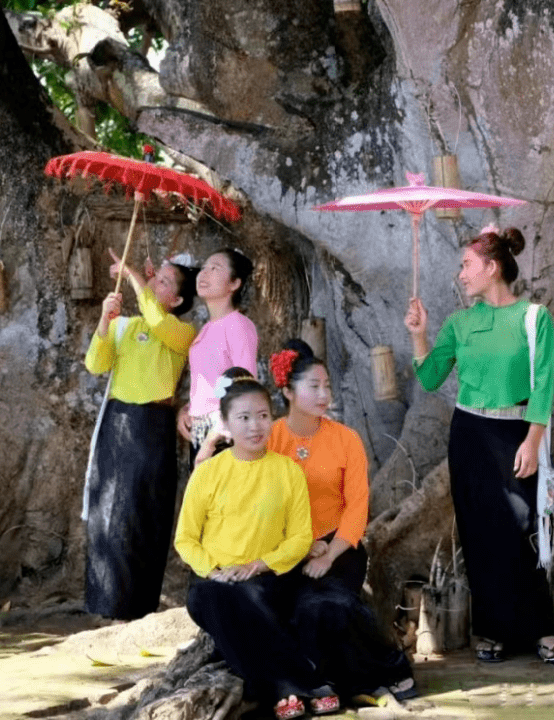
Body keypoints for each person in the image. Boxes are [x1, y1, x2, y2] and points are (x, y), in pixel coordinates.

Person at [404, 224, 554, 666]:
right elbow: (430, 377)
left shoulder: (534, 318)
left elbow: (545, 385)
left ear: (491, 268)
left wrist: (533, 441)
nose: (461, 275)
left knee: (524, 527)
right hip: (470, 435)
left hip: (517, 434)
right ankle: (492, 631)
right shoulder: (461, 322)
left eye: (467, 266)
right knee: (478, 532)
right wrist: (419, 335)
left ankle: (540, 630)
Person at [175, 369, 340, 719]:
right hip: (216, 581)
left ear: (273, 419)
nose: (255, 426)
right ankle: (302, 681)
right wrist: (216, 572)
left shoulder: (288, 472)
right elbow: (185, 538)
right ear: (226, 423)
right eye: (244, 418)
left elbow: (299, 537)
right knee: (211, 597)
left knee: (251, 596)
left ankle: (279, 691)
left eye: (263, 416)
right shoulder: (207, 472)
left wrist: (257, 565)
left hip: (270, 578)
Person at [267, 339, 416, 700]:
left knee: (331, 604)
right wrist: (301, 551)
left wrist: (328, 555)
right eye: (313, 387)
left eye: (327, 386)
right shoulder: (271, 438)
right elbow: (263, 504)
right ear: (288, 391)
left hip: (339, 547)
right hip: (287, 550)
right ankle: (326, 682)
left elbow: (357, 507)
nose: (323, 394)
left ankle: (390, 665)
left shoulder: (345, 439)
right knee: (299, 611)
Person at [82, 251, 198, 619]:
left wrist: (133, 275)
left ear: (176, 300)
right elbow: (95, 364)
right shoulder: (124, 326)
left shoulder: (182, 332)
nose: (152, 282)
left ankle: (138, 606)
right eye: (154, 277)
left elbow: (158, 322)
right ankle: (104, 604)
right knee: (106, 513)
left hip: (152, 427)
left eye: (163, 282)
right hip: (117, 423)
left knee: (142, 511)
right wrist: (105, 319)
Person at [176, 248, 258, 464]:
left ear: (234, 284)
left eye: (215, 268)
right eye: (204, 267)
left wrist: (218, 434)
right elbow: (206, 385)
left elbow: (246, 384)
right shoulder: (206, 329)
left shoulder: (239, 325)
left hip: (224, 433)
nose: (205, 273)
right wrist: (188, 409)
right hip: (200, 430)